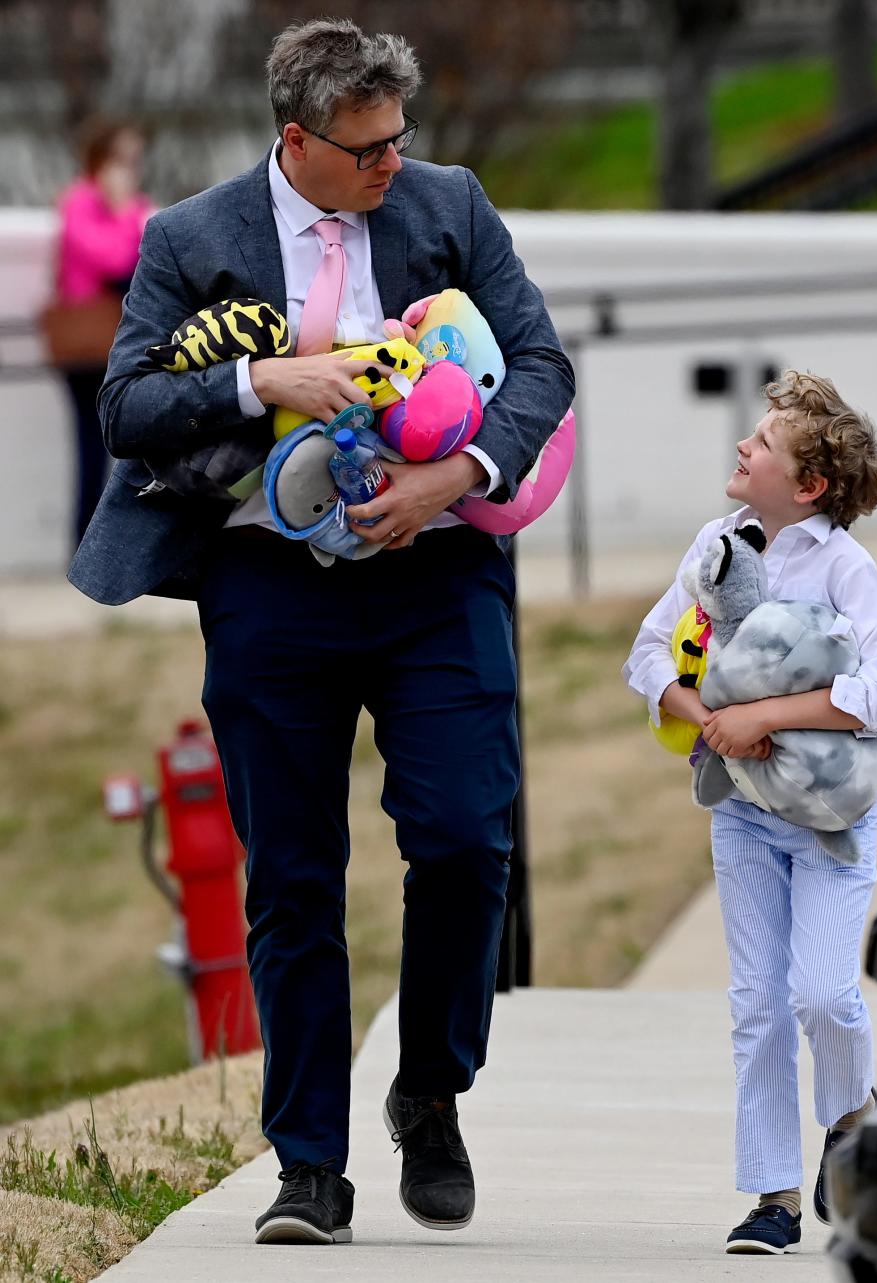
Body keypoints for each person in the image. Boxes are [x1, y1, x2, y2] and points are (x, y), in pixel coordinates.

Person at [68, 17, 574, 1246]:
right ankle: (308, 1163)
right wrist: (262, 382)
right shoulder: (192, 237)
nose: (392, 162)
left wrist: (457, 477)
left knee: (464, 842)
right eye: (368, 149)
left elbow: (545, 366)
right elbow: (128, 403)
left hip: (437, 576)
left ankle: (430, 1088)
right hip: (270, 588)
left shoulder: (451, 205)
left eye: (400, 138)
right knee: (292, 877)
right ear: (296, 139)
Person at [623, 370, 877, 1256]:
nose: (742, 447)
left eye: (761, 442)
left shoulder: (843, 566)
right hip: (743, 811)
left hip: (828, 818)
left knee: (823, 993)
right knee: (756, 1002)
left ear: (809, 485)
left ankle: (852, 1116)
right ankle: (774, 1197)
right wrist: (701, 712)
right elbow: (646, 654)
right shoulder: (717, 545)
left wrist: (766, 714)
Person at [52, 119, 153, 551]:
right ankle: (86, 542)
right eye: (121, 158)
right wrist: (122, 209)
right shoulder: (80, 202)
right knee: (90, 445)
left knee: (126, 445)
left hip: (122, 340)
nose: (128, 168)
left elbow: (151, 258)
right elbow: (112, 261)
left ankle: (111, 539)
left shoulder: (133, 204)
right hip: (87, 344)